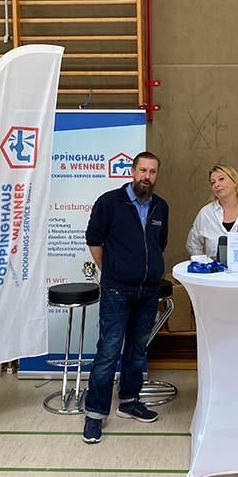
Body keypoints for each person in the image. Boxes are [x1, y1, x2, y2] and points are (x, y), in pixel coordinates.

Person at [83, 151, 169, 444]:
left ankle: (129, 401)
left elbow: (160, 244)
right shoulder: (110, 202)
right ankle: (95, 415)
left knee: (137, 350)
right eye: (142, 170)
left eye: (153, 171)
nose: (147, 176)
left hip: (148, 290)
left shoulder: (161, 207)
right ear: (132, 171)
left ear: (156, 175)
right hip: (117, 289)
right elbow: (94, 239)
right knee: (108, 351)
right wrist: (110, 270)